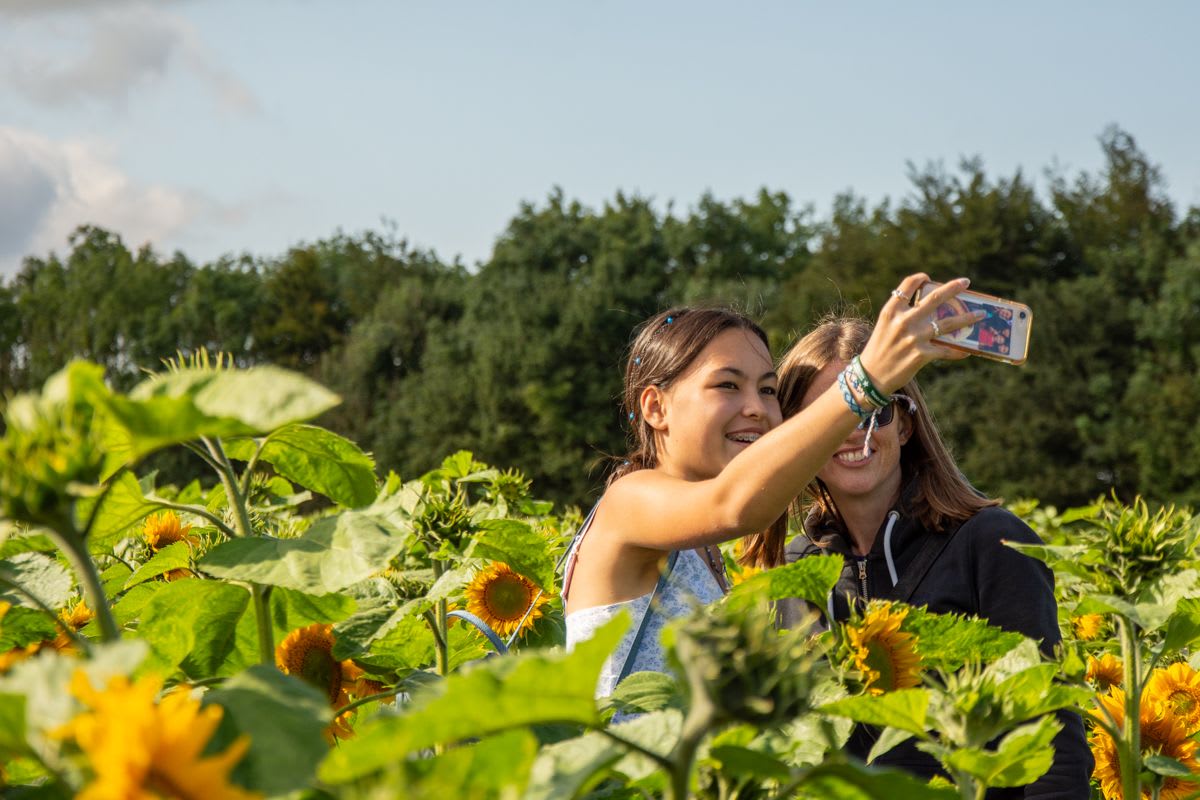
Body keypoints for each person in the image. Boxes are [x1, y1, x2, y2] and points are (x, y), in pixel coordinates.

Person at [562, 274, 980, 698]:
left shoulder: (694, 542)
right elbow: (736, 505)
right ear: (656, 406)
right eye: (727, 384)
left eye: (768, 390)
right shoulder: (628, 502)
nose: (757, 409)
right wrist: (865, 382)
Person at [760, 314, 1092, 799]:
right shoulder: (791, 570)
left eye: (876, 410)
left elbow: (1051, 736)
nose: (854, 431)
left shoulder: (991, 543)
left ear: (908, 423)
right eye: (830, 414)